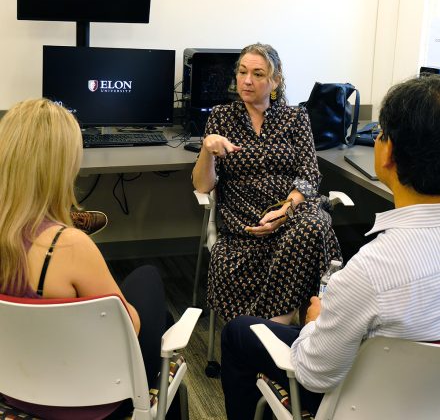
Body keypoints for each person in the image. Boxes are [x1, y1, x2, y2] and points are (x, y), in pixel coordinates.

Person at [220, 73, 440, 419]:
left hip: (359, 402)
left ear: (389, 154)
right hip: (427, 399)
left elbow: (314, 373)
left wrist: (316, 321)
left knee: (238, 332)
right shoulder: (223, 118)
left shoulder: (370, 272)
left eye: (380, 132)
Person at [0, 98, 174, 420]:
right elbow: (130, 328)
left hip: (11, 388)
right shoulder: (68, 246)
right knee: (148, 281)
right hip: (88, 399)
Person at [192, 43, 341, 324]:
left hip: (292, 215)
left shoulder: (295, 118)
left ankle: (271, 331)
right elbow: (202, 186)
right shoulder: (221, 117)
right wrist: (206, 150)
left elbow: (310, 174)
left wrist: (284, 211)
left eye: (258, 74)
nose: (247, 80)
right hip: (245, 224)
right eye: (242, 72)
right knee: (316, 232)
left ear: (275, 81)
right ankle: (287, 334)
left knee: (313, 224)